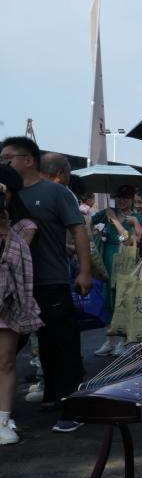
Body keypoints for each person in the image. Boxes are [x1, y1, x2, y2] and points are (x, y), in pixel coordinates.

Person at [0, 138, 91, 433]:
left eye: (8, 157)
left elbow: (78, 230)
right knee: (11, 351)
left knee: (59, 346)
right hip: (10, 288)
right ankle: (49, 396)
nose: (3, 163)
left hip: (50, 281)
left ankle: (72, 407)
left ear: (28, 160)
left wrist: (84, 271)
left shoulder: (55, 192)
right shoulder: (8, 193)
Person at [0, 165, 43, 445]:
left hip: (9, 303)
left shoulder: (23, 226)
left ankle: (3, 419)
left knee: (5, 361)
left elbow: (18, 260)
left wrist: (4, 229)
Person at [92, 185, 142, 357]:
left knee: (122, 299)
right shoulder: (107, 213)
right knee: (107, 299)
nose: (122, 201)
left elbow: (127, 240)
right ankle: (110, 341)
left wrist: (114, 221)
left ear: (131, 199)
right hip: (107, 259)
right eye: (119, 198)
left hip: (125, 260)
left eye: (126, 198)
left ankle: (123, 341)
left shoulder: (135, 217)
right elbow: (88, 222)